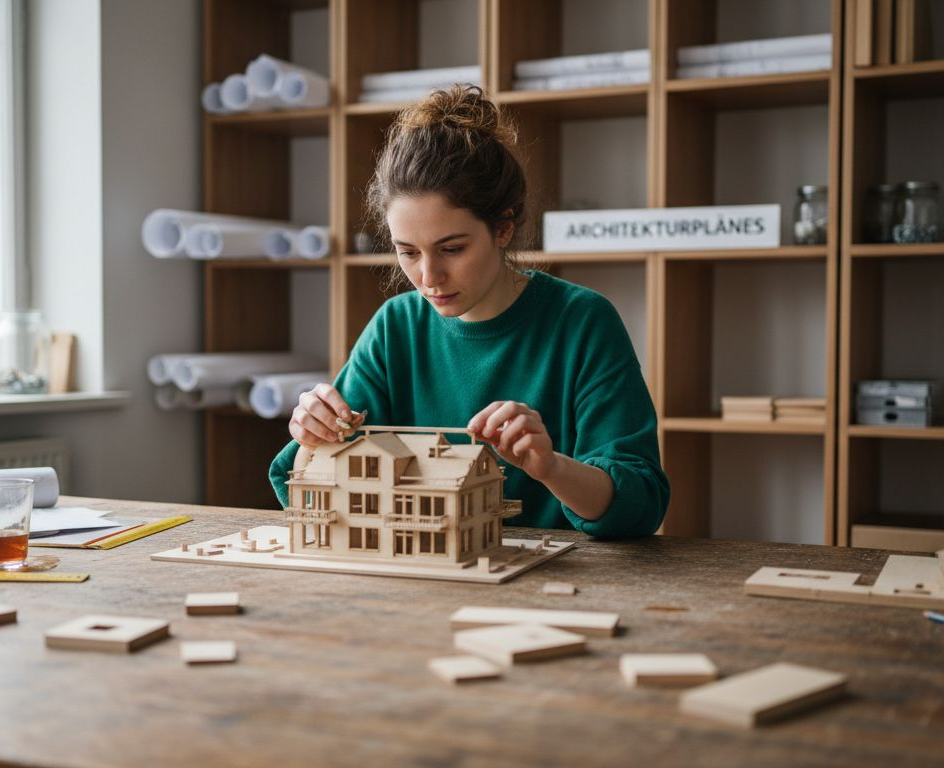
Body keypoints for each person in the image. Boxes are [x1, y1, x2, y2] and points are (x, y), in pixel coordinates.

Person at [268, 84, 667, 537]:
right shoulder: (395, 327)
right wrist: (312, 439)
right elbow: (310, 489)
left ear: (503, 229)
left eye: (452, 248)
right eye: (408, 252)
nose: (429, 277)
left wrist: (551, 467)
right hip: (421, 580)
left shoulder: (582, 322)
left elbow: (639, 505)